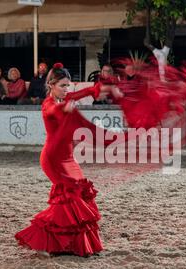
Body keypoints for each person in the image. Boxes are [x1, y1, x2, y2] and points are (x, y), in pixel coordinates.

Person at [15, 63, 118, 257]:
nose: (66, 89)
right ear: (52, 85)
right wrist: (66, 108)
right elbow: (54, 111)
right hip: (53, 158)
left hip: (68, 156)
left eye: (68, 85)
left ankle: (71, 243)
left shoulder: (64, 98)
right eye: (63, 85)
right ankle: (51, 241)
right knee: (68, 197)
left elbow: (79, 95)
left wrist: (95, 89)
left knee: (79, 193)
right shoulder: (49, 104)